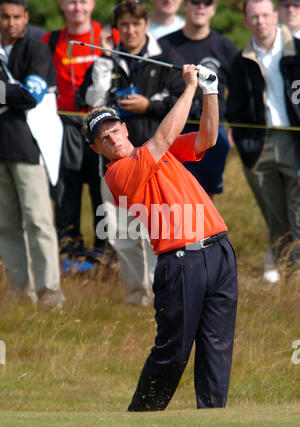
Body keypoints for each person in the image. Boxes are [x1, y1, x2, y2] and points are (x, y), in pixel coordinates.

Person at [82, 63, 238, 411]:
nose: (111, 138)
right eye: (102, 138)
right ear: (97, 149)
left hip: (219, 251)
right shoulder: (118, 174)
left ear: (124, 128)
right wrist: (189, 88)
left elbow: (207, 138)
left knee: (217, 346)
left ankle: (213, 423)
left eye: (114, 129)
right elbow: (164, 137)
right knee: (173, 351)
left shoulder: (158, 150)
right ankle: (140, 420)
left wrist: (210, 91)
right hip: (180, 262)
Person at [80, 0, 185, 306]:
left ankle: (159, 295)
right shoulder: (106, 61)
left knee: (155, 233)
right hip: (114, 167)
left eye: (136, 24)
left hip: (153, 163)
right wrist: (102, 70)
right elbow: (87, 103)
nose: (130, 30)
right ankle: (136, 295)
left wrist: (147, 106)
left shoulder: (165, 56)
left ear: (145, 24)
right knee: (121, 233)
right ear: (117, 28)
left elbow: (183, 102)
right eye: (124, 24)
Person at [226, 0, 300, 281]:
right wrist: (246, 147)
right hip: (259, 147)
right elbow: (235, 108)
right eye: (254, 17)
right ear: (246, 21)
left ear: (275, 16)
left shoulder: (296, 51)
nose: (260, 21)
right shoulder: (240, 61)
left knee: (298, 215)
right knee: (276, 219)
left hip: (294, 142)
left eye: (265, 15)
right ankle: (288, 283)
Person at [42, 0, 118, 269]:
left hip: (103, 126)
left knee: (104, 191)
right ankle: (69, 254)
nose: (77, 7)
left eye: (83, 1)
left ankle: (106, 254)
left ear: (92, 4)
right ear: (62, 5)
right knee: (66, 191)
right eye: (71, 2)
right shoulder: (49, 41)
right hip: (65, 126)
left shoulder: (109, 36)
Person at [0, 0, 64, 307]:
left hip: (29, 147)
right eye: (5, 17)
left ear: (26, 18)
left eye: (16, 17)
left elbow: (30, 95)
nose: (11, 23)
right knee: (6, 225)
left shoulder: (37, 50)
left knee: (38, 222)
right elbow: (18, 93)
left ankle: (49, 291)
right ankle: (19, 290)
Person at [161, 0, 239, 200]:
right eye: (195, 2)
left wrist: (232, 128)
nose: (201, 7)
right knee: (172, 199)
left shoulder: (225, 47)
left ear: (214, 9)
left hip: (211, 133)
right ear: (184, 6)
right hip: (173, 133)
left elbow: (240, 92)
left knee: (205, 200)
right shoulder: (164, 45)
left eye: (207, 2)